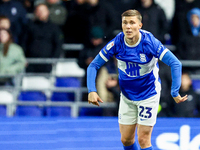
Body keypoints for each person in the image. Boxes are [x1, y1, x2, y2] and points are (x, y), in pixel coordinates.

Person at [87, 9, 188, 150]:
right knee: (126, 140)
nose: (128, 26)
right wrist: (92, 90)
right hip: (127, 96)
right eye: (125, 23)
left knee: (143, 139)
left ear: (140, 25)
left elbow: (175, 63)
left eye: (132, 23)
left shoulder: (149, 42)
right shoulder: (117, 42)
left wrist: (174, 92)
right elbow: (94, 65)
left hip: (148, 94)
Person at [22, 3, 63, 73]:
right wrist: (23, 58)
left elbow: (58, 45)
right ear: (35, 12)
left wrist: (54, 60)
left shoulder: (54, 28)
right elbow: (24, 43)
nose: (40, 13)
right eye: (38, 11)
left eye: (43, 10)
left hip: (47, 64)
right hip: (31, 63)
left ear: (48, 12)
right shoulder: (29, 27)